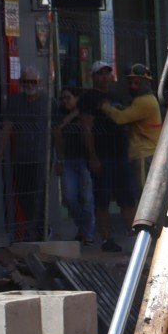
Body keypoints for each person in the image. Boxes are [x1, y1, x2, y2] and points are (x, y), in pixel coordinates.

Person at [101, 63, 162, 227]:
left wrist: (106, 107)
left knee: (145, 195)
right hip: (143, 154)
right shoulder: (144, 101)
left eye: (137, 83)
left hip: (144, 155)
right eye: (131, 83)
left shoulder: (145, 102)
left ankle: (148, 229)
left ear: (145, 84)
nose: (133, 86)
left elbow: (120, 118)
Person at [81, 61, 131, 249]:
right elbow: (86, 127)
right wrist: (93, 156)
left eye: (107, 73)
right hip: (103, 156)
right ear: (93, 77)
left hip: (121, 154)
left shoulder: (116, 96)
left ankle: (132, 232)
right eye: (100, 73)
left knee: (127, 195)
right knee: (103, 196)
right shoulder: (89, 98)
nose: (104, 77)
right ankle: (105, 235)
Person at [0, 68, 50, 241]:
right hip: (21, 157)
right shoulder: (14, 102)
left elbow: (56, 130)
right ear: (21, 83)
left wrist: (59, 157)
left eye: (33, 82)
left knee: (38, 194)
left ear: (40, 84)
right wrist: (0, 153)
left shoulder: (47, 102)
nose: (29, 85)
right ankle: (35, 227)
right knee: (23, 194)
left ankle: (36, 230)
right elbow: (7, 127)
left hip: (41, 156)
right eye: (26, 82)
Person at [54, 86, 101, 248]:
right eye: (63, 98)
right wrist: (59, 160)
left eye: (68, 98)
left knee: (87, 199)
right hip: (68, 161)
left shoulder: (84, 114)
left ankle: (87, 233)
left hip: (83, 160)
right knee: (69, 198)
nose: (65, 101)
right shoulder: (60, 115)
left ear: (76, 99)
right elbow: (57, 133)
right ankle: (84, 226)